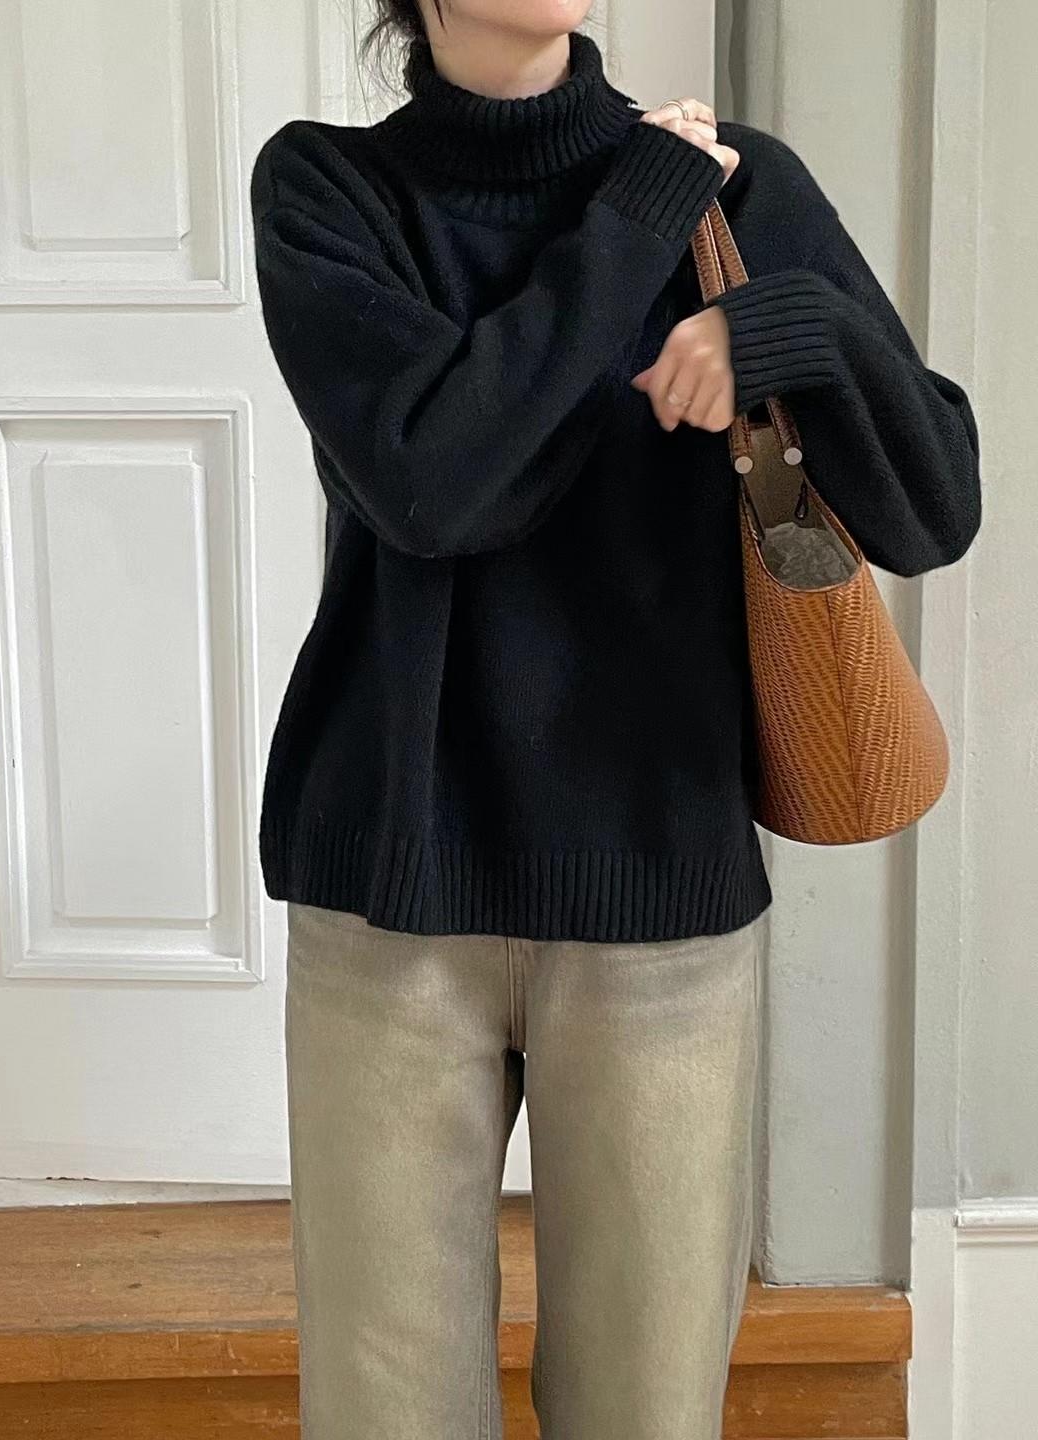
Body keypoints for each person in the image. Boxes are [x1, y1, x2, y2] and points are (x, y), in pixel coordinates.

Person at [249, 3, 982, 1437]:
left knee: (647, 1410)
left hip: (659, 888)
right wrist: (638, 218)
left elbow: (935, 504)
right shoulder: (331, 190)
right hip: (392, 897)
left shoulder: (740, 186)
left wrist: (789, 325)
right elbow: (440, 484)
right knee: (385, 1410)